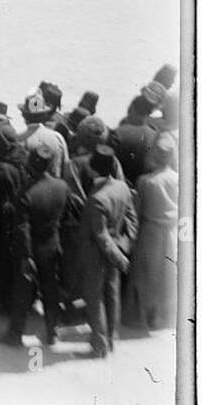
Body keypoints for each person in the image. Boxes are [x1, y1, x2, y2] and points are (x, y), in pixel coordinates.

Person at [0, 145, 70, 347]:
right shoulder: (62, 186)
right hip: (52, 246)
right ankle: (52, 332)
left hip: (31, 250)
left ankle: (15, 334)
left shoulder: (26, 193)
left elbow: (23, 229)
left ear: (31, 165)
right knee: (51, 290)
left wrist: (27, 257)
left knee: (22, 293)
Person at [78, 144, 137, 358]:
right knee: (112, 294)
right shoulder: (122, 187)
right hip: (115, 249)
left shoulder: (97, 199)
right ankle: (111, 339)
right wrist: (124, 246)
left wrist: (119, 258)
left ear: (94, 169)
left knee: (95, 299)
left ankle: (99, 346)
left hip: (97, 253)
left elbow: (101, 236)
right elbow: (132, 220)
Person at [127, 132, 178, 331]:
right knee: (168, 275)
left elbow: (138, 211)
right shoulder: (177, 178)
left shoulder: (146, 181)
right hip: (172, 231)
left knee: (148, 275)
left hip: (151, 231)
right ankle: (165, 316)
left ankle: (149, 316)